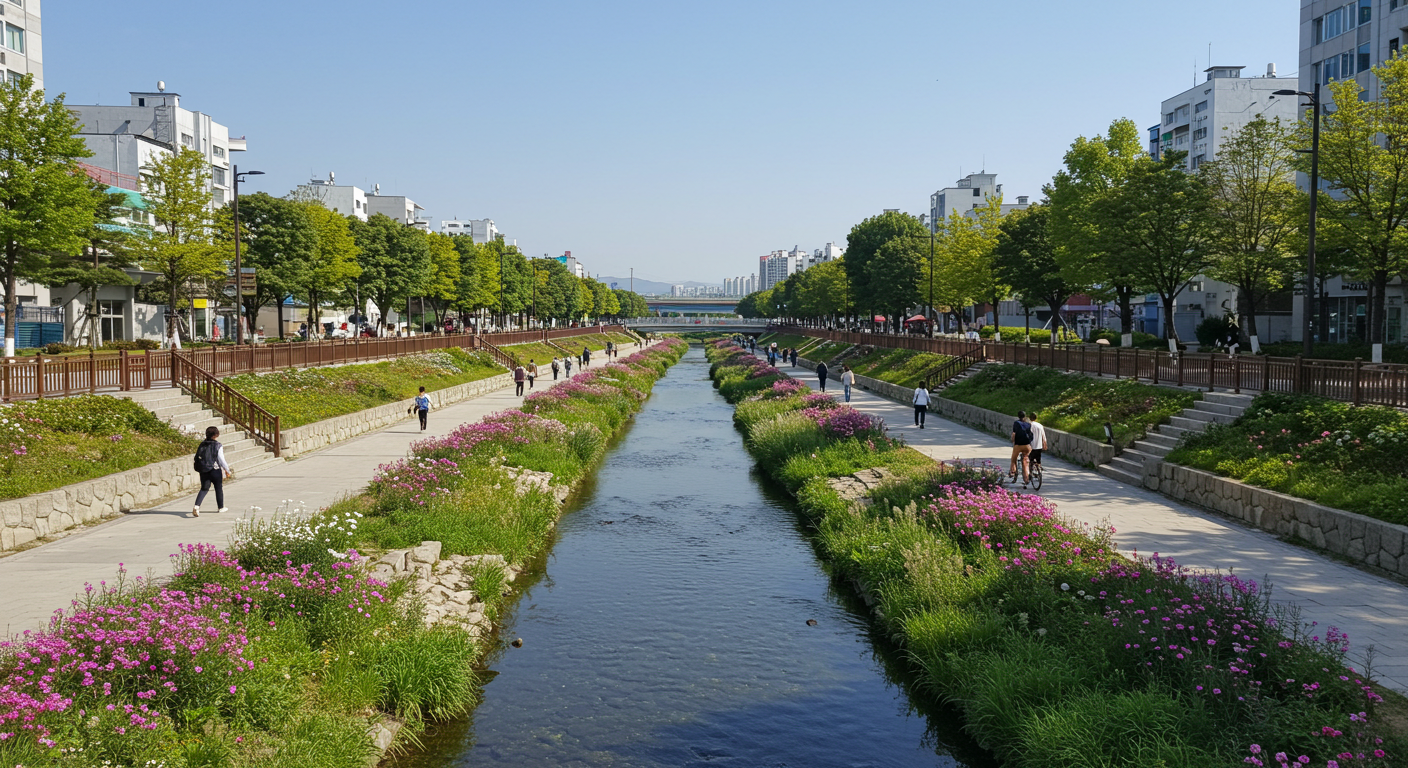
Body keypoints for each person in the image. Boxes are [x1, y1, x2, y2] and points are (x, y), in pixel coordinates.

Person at [191, 426, 231, 518]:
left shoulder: (202, 444)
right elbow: (221, 459)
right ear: (216, 435)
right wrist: (227, 469)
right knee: (218, 488)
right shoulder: (218, 445)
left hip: (204, 470)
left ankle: (196, 506)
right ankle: (221, 507)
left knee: (204, 488)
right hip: (214, 469)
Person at [1010, 409, 1034, 485]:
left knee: (1013, 459)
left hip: (1018, 445)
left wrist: (1013, 441)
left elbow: (1014, 434)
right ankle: (1027, 478)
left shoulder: (1016, 423)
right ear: (1025, 416)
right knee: (1025, 461)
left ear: (1018, 416)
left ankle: (1013, 472)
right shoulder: (1028, 424)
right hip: (1027, 445)